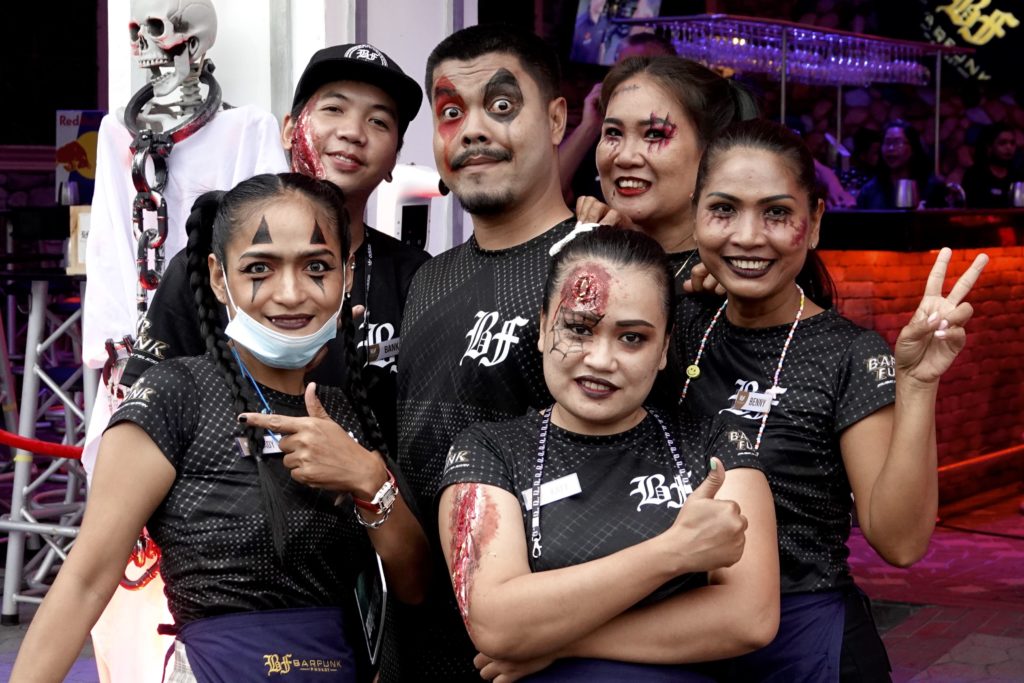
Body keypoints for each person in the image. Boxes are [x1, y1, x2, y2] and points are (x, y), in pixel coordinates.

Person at [11, 173, 429, 682]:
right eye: (260, 268)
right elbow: (84, 583)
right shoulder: (174, 397)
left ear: (345, 273)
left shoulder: (348, 413)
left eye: (317, 266)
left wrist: (369, 481)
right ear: (217, 276)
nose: (291, 292)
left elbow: (414, 588)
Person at [681, 119, 987, 681]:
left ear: (814, 221)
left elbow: (899, 542)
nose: (748, 236)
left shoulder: (846, 353)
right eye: (724, 209)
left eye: (777, 213)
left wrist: (918, 386)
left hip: (804, 642)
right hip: (673, 636)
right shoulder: (669, 321)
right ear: (694, 213)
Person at [437, 226, 779, 681]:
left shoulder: (715, 446)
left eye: (633, 338)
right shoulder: (488, 451)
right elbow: (496, 624)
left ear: (663, 349)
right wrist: (672, 553)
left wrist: (561, 642)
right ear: (542, 328)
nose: (601, 359)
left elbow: (749, 618)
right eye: (579, 328)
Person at [121, 43, 430, 458]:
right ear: (289, 129)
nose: (353, 132)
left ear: (395, 157)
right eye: (333, 109)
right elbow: (141, 417)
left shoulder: (417, 278)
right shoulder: (211, 265)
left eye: (378, 121)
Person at [393, 24, 579, 681]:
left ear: (556, 118)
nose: (472, 130)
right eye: (450, 112)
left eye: (501, 107)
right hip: (417, 639)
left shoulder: (593, 268)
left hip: (534, 652)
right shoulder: (428, 278)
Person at [558, 33, 678, 205]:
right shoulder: (600, 135)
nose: (630, 81)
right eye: (621, 71)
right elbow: (547, 196)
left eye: (643, 70)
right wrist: (590, 125)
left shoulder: (673, 136)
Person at [855, 120, 944, 209]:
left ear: (913, 147)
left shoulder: (932, 187)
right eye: (887, 143)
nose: (891, 148)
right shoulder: (869, 190)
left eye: (898, 142)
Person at [962, 122, 1023, 208]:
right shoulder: (975, 175)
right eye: (1003, 143)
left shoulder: (1018, 177)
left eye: (1012, 143)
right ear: (989, 147)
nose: (1009, 147)